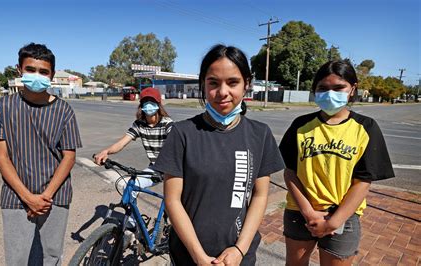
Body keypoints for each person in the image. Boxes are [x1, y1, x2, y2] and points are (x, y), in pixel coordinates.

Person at [153, 44, 285, 265]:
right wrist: (199, 257)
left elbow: (260, 196)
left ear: (247, 84)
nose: (223, 92)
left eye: (233, 82)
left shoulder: (260, 134)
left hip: (239, 255)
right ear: (203, 85)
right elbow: (173, 200)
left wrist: (239, 250)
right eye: (213, 83)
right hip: (189, 255)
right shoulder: (182, 133)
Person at [279, 60, 395, 265]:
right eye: (323, 88)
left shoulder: (366, 127)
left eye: (339, 87)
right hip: (300, 213)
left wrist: (333, 222)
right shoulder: (301, 125)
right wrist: (308, 212)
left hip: (343, 218)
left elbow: (363, 181)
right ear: (315, 90)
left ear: (352, 89)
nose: (330, 93)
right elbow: (289, 172)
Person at [0, 43, 82, 265]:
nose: (36, 75)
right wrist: (28, 198)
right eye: (30, 69)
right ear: (19, 70)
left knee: (51, 256)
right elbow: (1, 157)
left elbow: (69, 157)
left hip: (55, 197)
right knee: (17, 258)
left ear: (52, 75)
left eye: (43, 72)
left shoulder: (64, 110)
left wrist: (45, 197)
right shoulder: (3, 106)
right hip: (15, 196)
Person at [94, 87, 173, 189]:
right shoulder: (139, 124)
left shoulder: (167, 123)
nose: (149, 105)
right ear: (141, 105)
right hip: (156, 168)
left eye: (152, 101)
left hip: (172, 169)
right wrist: (106, 152)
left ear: (158, 104)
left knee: (171, 201)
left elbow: (177, 146)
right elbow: (122, 143)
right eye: (145, 102)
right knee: (131, 186)